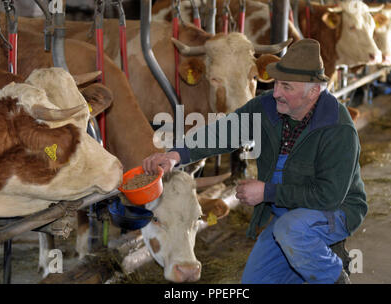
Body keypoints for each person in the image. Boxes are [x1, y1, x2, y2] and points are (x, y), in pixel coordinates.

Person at [142, 39, 367, 284]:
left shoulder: (337, 128)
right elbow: (225, 130)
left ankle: (336, 278)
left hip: (333, 211)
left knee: (291, 232)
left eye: (287, 87)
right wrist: (176, 155)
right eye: (278, 83)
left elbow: (329, 195)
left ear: (313, 91)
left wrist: (266, 192)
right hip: (284, 211)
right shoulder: (268, 106)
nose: (277, 92)